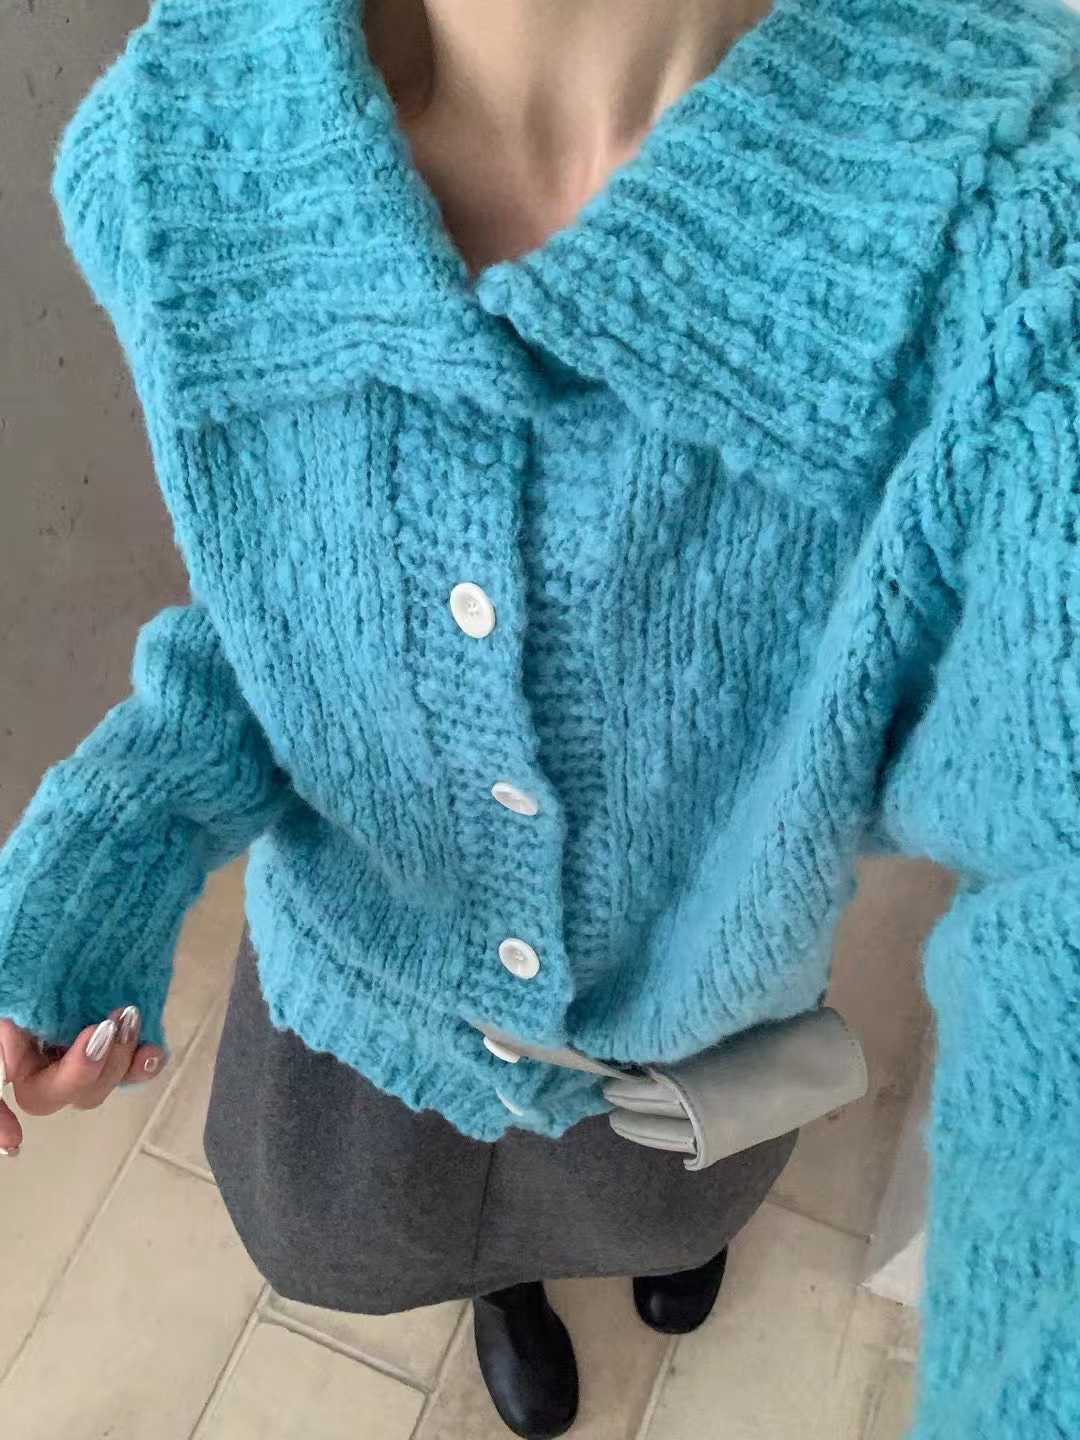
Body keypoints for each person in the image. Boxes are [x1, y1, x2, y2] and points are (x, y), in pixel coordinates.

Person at [2, 0, 1080, 1434]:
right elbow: (274, 632)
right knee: (403, 1237)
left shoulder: (1009, 242)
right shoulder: (177, 169)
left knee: (668, 1217)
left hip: (691, 1071)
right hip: (354, 1054)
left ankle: (662, 1254)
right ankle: (504, 1292)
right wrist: (88, 871)